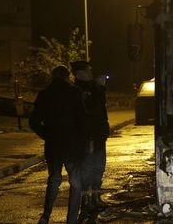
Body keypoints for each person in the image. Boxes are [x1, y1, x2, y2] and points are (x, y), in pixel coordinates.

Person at [29, 65, 87, 224]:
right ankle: (71, 219)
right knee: (75, 183)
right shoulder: (74, 93)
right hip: (72, 146)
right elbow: (82, 121)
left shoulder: (44, 94)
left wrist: (47, 135)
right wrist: (83, 142)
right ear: (67, 77)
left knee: (54, 179)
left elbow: (33, 121)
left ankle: (46, 215)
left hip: (53, 145)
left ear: (53, 77)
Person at [70, 61, 110, 216]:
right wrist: (99, 88)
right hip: (88, 136)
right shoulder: (78, 90)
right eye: (88, 71)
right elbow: (93, 108)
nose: (91, 73)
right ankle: (86, 200)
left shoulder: (92, 87)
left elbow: (100, 108)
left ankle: (96, 197)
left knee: (99, 167)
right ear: (79, 73)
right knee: (88, 169)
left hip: (98, 135)